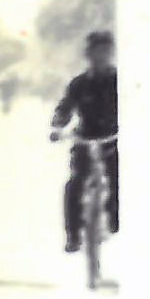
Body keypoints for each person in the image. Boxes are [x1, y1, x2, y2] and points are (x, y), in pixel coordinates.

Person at [50, 30, 118, 253]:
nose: (100, 56)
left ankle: (115, 221)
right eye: (95, 51)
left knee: (119, 181)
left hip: (113, 140)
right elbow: (65, 108)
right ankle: (73, 235)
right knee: (75, 183)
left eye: (105, 51)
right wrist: (58, 124)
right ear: (88, 54)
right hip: (84, 140)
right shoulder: (78, 84)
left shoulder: (119, 80)